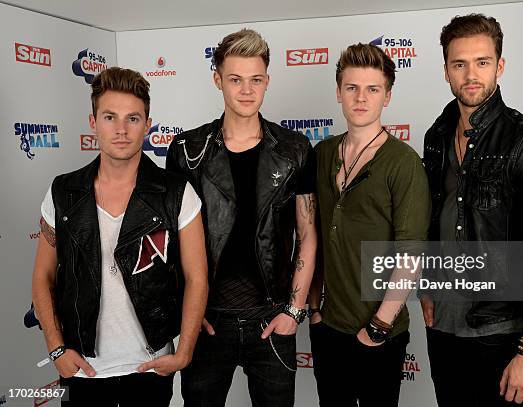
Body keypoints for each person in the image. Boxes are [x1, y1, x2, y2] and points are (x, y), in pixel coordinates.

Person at [31, 67, 208, 406]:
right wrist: (56, 348)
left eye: (133, 118)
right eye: (110, 117)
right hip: (83, 368)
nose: (122, 130)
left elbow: (197, 276)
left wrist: (183, 353)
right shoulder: (63, 193)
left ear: (148, 124)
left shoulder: (175, 193)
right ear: (92, 121)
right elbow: (43, 277)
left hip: (149, 368)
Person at [420, 14, 523, 406]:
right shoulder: (436, 135)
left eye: (482, 62)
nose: (471, 74)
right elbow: (432, 219)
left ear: (499, 66)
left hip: (501, 333)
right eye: (459, 63)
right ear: (446, 71)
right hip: (443, 331)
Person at [166, 28, 317, 407]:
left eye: (255, 80)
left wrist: (293, 312)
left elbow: (308, 233)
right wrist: (188, 310)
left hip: (271, 319)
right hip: (206, 319)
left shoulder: (295, 149)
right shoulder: (187, 150)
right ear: (217, 80)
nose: (246, 90)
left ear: (267, 81)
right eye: (235, 79)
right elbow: (170, 238)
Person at [309, 43, 430, 406]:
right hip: (328, 328)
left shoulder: (403, 162)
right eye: (352, 88)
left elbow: (411, 251)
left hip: (379, 332)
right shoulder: (322, 154)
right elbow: (309, 233)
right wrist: (315, 312)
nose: (361, 98)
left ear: (387, 96)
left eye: (373, 89)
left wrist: (378, 327)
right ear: (338, 92)